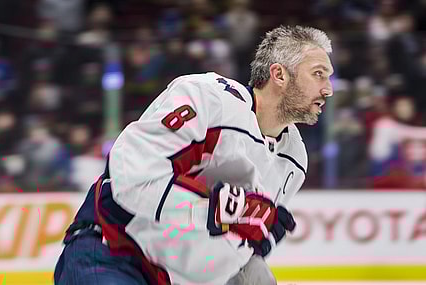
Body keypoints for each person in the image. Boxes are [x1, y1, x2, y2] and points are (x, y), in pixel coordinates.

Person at [54, 25, 334, 285]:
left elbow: (232, 238)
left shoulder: (295, 159)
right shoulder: (209, 99)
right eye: (318, 74)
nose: (328, 89)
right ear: (279, 75)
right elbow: (130, 177)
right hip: (112, 251)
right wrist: (216, 210)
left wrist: (252, 245)